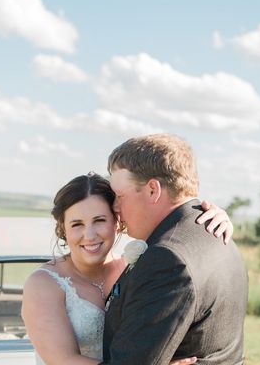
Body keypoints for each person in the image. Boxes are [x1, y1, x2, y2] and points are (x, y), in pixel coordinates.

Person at [22, 171, 233, 365]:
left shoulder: (135, 265)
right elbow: (64, 360)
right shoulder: (43, 284)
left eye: (99, 220)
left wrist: (204, 218)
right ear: (63, 229)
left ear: (116, 220)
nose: (90, 234)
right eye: (77, 224)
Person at [102, 134, 248, 364]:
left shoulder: (167, 258)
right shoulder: (217, 234)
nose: (115, 207)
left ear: (153, 190)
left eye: (120, 196)